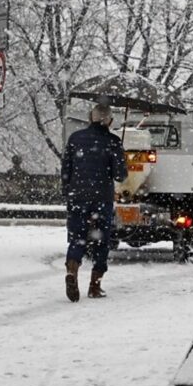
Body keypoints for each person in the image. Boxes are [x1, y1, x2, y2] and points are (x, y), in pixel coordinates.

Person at [61, 103, 128, 302]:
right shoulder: (113, 142)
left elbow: (66, 169)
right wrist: (119, 158)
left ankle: (72, 271)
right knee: (101, 240)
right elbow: (120, 175)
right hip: (101, 198)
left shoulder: (75, 139)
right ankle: (94, 286)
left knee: (77, 237)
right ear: (110, 121)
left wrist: (68, 192)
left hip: (78, 197)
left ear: (91, 118)